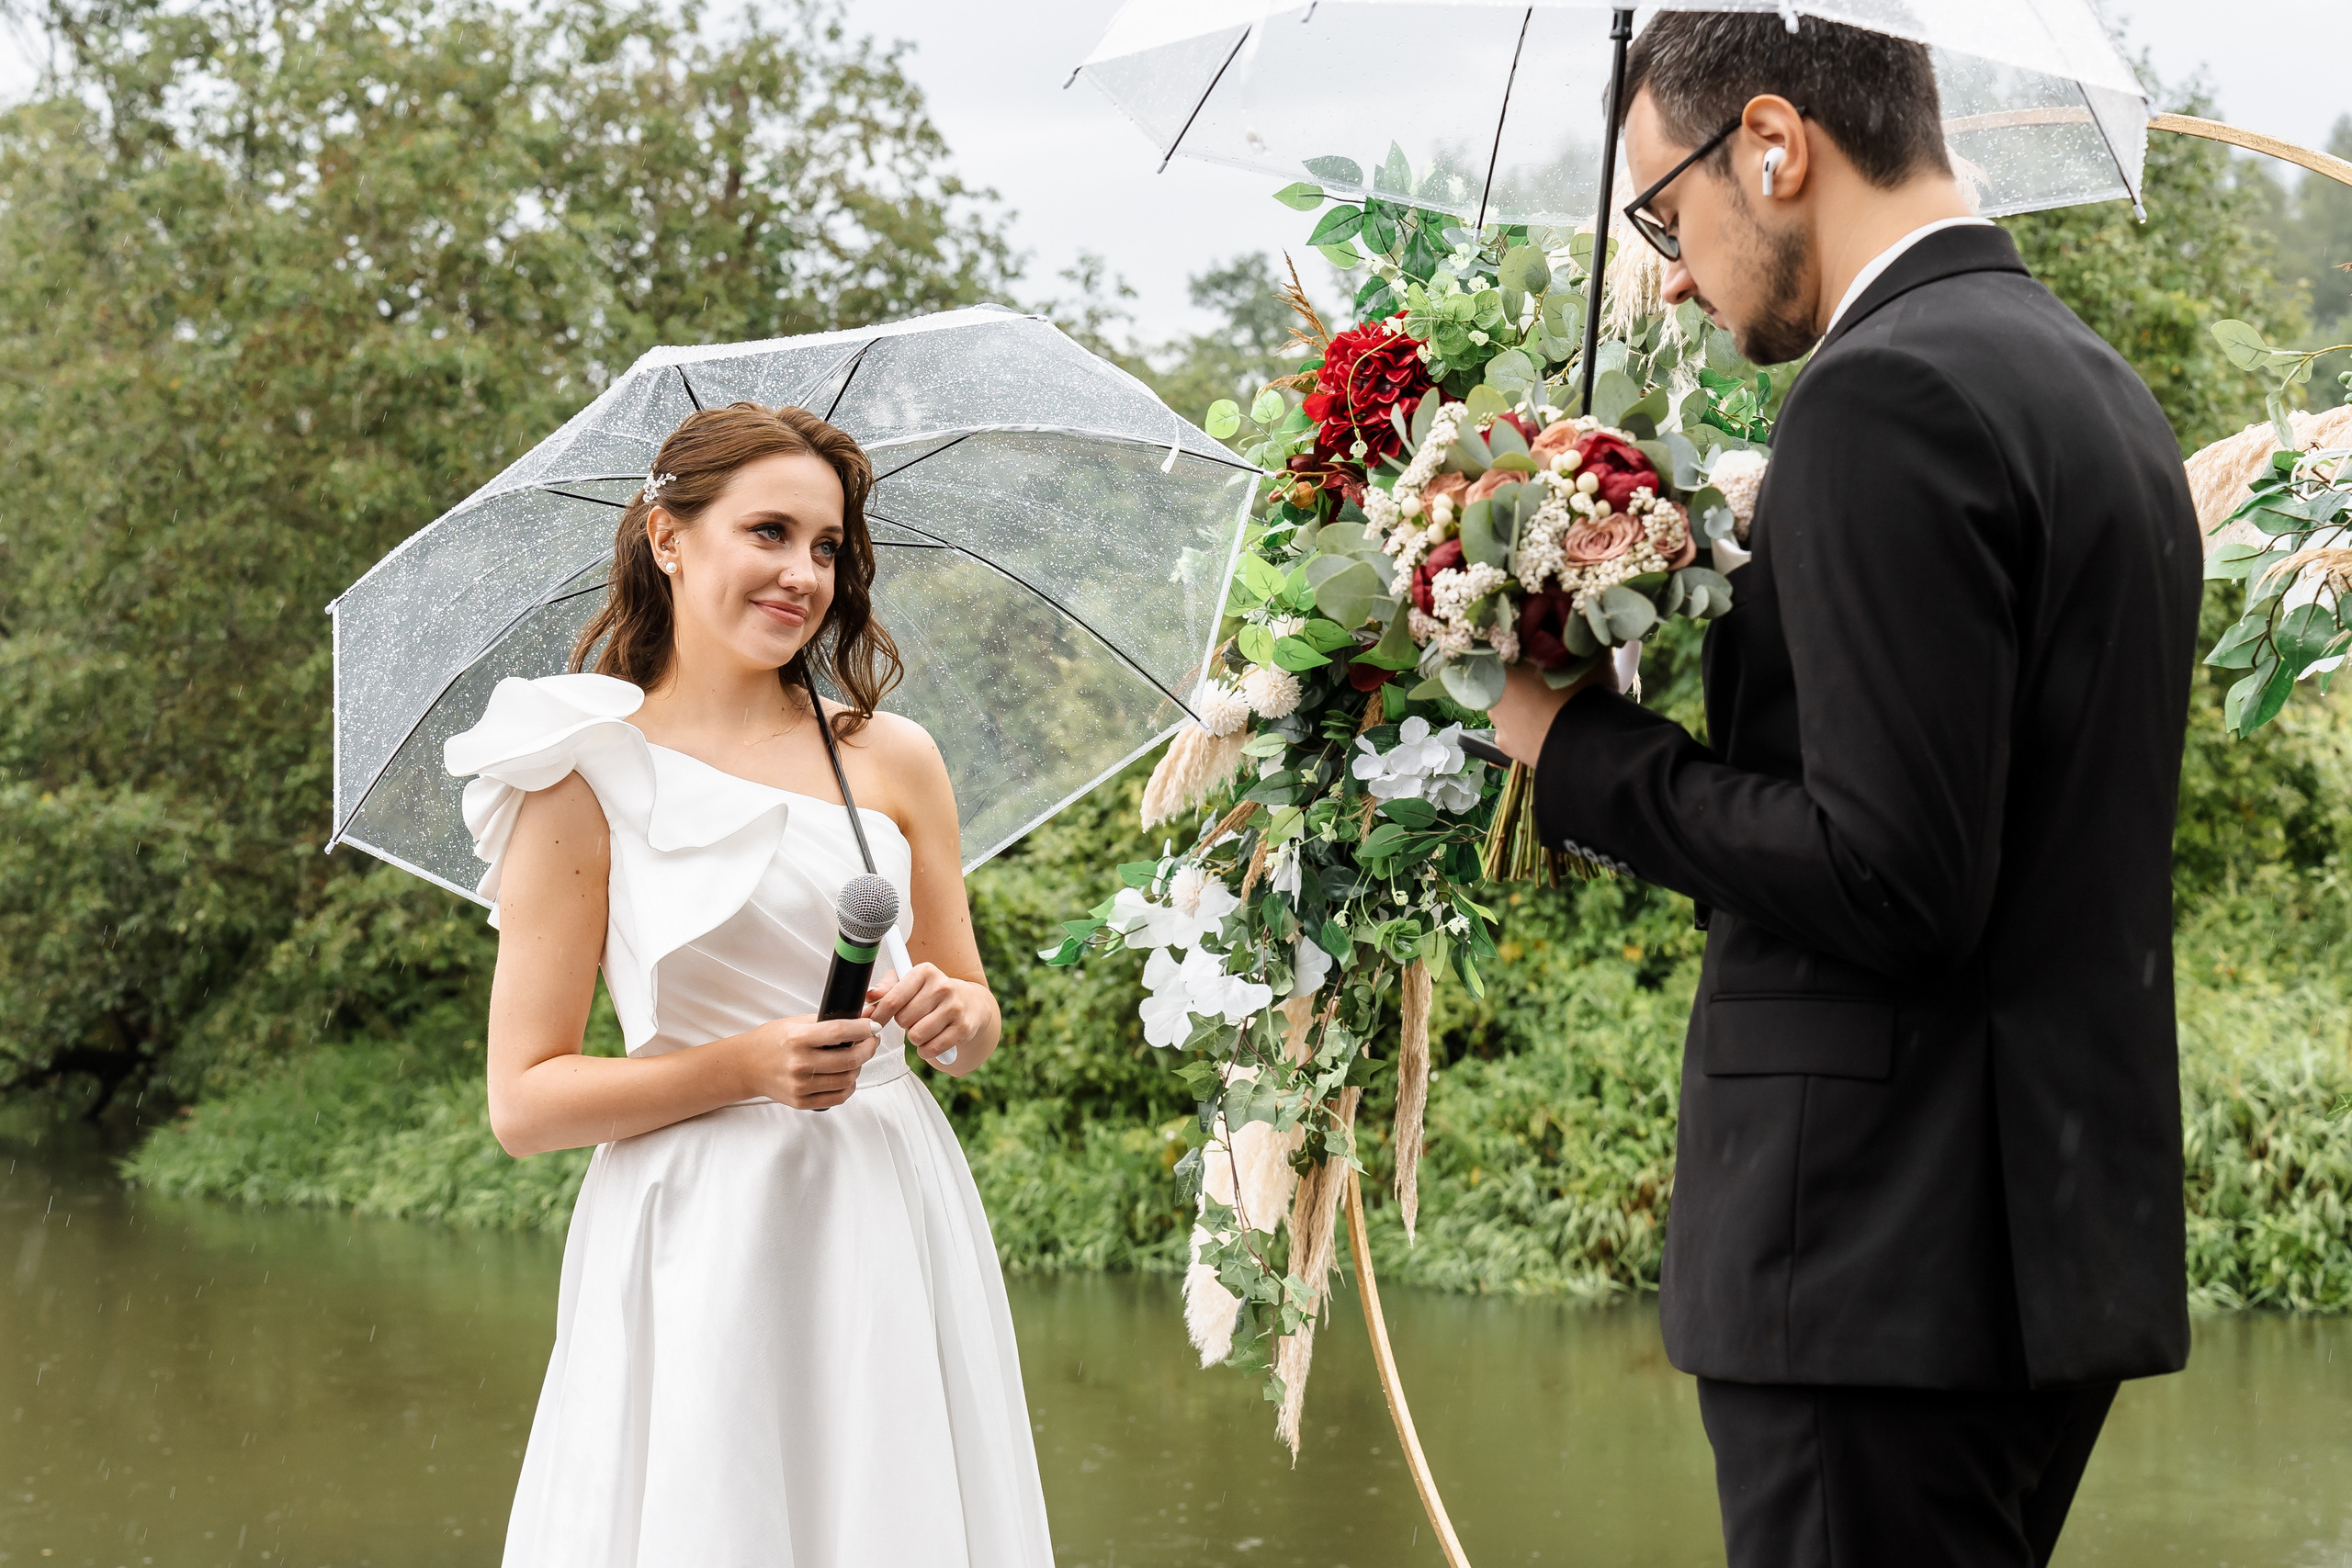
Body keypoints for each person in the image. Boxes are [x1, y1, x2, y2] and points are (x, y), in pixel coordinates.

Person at [1487, 15, 2200, 1567]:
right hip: (2040, 1250)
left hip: (1874, 1259)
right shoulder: (2097, 394)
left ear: (1773, 143)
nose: (1670, 271)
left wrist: (1572, 749)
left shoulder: (1885, 401)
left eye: (1664, 216)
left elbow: (1893, 874)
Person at [444, 401, 1054, 1566]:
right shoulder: (577, 777)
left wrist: (949, 1016)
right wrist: (743, 1068)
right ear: (667, 537)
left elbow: (974, 1022)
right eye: (768, 532)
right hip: (697, 1222)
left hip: (883, 1199)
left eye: (827, 547)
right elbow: (523, 1104)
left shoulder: (892, 756)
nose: (803, 573)